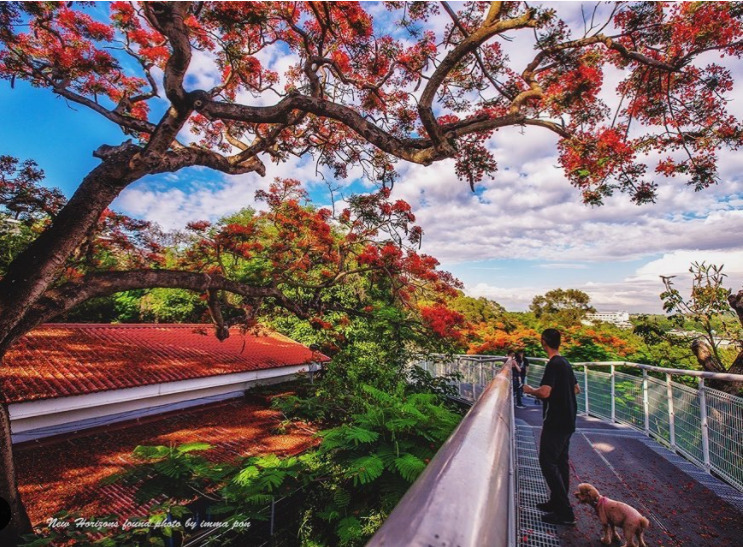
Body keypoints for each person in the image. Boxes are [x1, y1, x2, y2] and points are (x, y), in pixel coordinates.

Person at [523, 328, 580, 526]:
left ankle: (565, 512)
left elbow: (546, 392)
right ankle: (556, 503)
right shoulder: (565, 362)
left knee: (547, 462)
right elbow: (576, 389)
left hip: (555, 421)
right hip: (569, 419)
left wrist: (530, 390)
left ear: (543, 342)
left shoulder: (554, 364)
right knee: (560, 462)